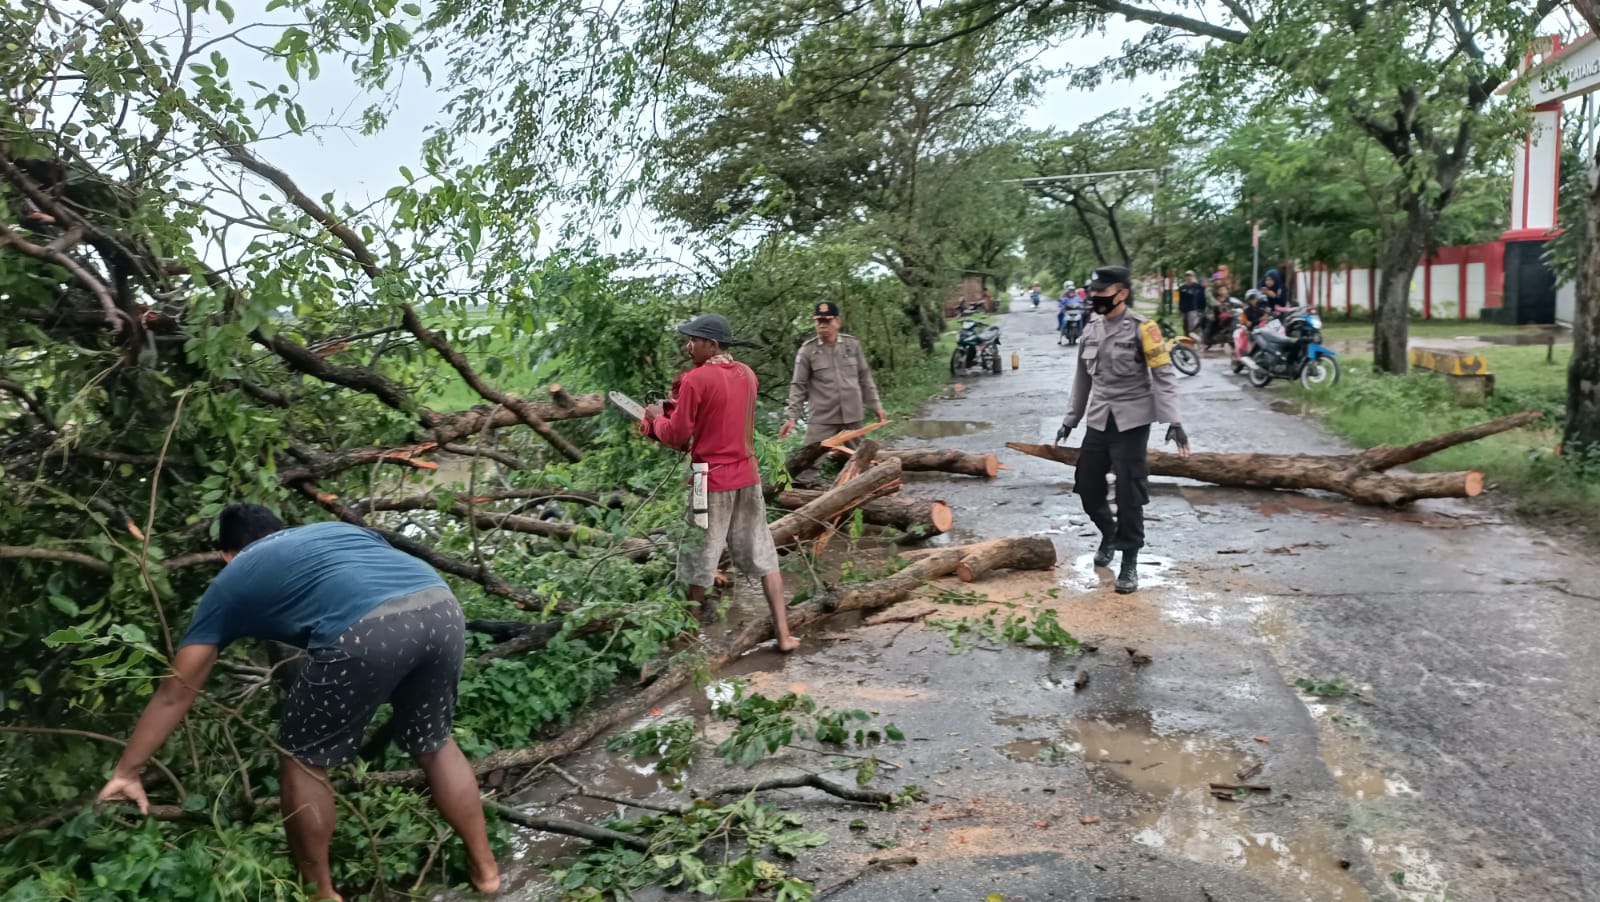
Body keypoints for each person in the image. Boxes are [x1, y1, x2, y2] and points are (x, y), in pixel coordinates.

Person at [96, 505, 499, 901]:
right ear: (280, 530)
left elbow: (175, 691)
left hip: (366, 629)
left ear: (226, 554)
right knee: (434, 743)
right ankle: (487, 873)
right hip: (441, 606)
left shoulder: (233, 576)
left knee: (304, 760)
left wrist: (128, 771)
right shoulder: (334, 531)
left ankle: (321, 895)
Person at [643, 313, 800, 652]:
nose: (688, 346)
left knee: (698, 560)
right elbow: (719, 417)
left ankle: (686, 642)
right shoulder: (747, 374)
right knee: (764, 553)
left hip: (707, 480)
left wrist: (656, 421)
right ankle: (784, 635)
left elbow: (679, 435)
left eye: (693, 340)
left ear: (711, 344)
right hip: (748, 475)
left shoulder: (695, 380)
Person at [1054, 266, 1191, 594]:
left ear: (1122, 294)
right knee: (1087, 486)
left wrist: (1175, 422)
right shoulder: (1091, 328)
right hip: (1099, 418)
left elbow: (1165, 376)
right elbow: (1082, 378)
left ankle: (1129, 560)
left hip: (1132, 421)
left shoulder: (1144, 328)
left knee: (1130, 493)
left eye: (1103, 293)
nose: (1096, 299)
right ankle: (1109, 533)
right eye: (1094, 293)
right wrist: (1070, 420)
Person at [780, 302, 886, 447]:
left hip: (852, 415)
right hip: (822, 418)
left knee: (858, 458)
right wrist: (791, 417)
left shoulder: (852, 345)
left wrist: (876, 407)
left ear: (837, 322)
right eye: (819, 321)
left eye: (827, 321)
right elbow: (798, 386)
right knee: (809, 460)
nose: (822, 325)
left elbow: (865, 379)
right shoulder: (807, 350)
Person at [1178, 270, 1207, 336]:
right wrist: (1179, 309)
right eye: (1187, 276)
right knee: (1185, 326)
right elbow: (1180, 299)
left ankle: (1193, 340)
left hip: (1193, 309)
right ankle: (1186, 339)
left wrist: (1202, 308)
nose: (1188, 277)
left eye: (1190, 276)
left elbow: (1202, 297)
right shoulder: (1182, 287)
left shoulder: (1198, 287)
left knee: (1192, 326)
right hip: (1183, 310)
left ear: (1193, 276)